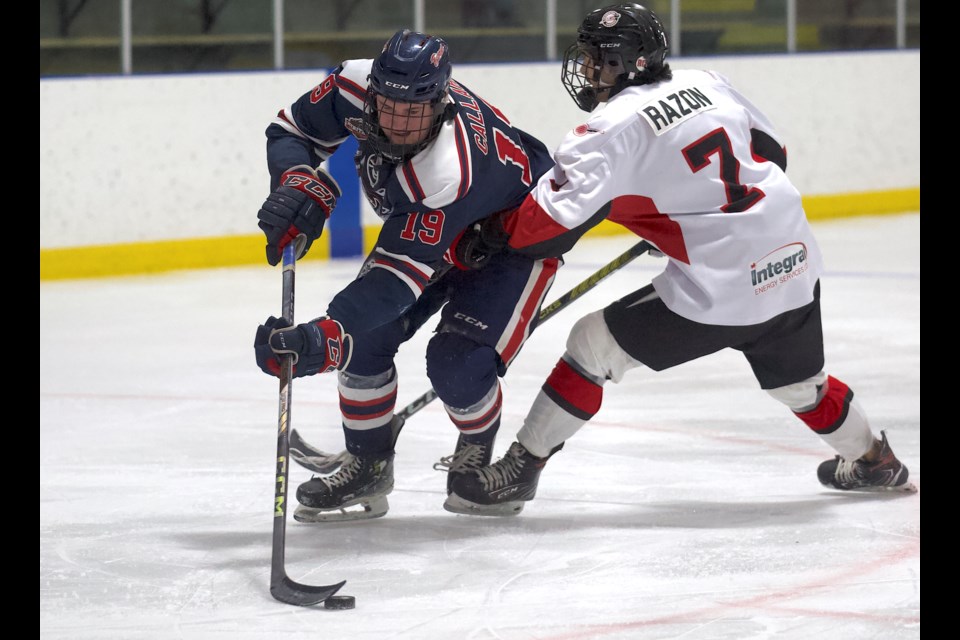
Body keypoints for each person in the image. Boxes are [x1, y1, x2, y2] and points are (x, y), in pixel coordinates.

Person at [445, 3, 916, 517]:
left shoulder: (607, 131)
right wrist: (691, 208)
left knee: (591, 343)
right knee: (802, 385)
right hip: (793, 257)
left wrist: (490, 233)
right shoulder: (709, 82)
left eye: (595, 59)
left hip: (724, 285)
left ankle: (520, 471)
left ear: (625, 64)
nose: (585, 69)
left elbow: (547, 226)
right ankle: (875, 460)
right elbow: (774, 152)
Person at [253, 29, 558, 521]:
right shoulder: (353, 84)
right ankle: (369, 466)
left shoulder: (445, 169)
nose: (397, 123)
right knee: (367, 334)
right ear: (373, 89)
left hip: (513, 238)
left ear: (440, 104)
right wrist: (297, 179)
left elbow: (396, 281)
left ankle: (476, 453)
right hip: (440, 225)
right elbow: (292, 131)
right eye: (388, 105)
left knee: (457, 363)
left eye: (414, 112)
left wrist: (325, 339)